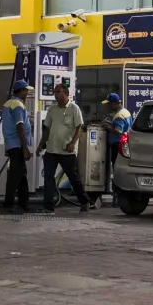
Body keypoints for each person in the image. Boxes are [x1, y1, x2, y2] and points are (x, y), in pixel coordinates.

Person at [40, 81, 89, 213]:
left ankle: (84, 201)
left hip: (67, 150)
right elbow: (47, 128)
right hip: (52, 149)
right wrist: (41, 144)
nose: (55, 95)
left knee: (72, 176)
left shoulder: (74, 109)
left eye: (58, 92)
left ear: (66, 94)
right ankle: (48, 206)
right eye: (54, 92)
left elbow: (79, 127)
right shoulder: (52, 110)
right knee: (48, 176)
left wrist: (73, 143)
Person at [0, 80, 33, 212]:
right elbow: (19, 126)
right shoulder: (18, 105)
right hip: (18, 145)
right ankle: (8, 205)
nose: (27, 93)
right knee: (15, 175)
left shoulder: (8, 104)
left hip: (12, 144)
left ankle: (23, 203)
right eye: (25, 90)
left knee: (21, 174)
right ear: (20, 91)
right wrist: (25, 148)